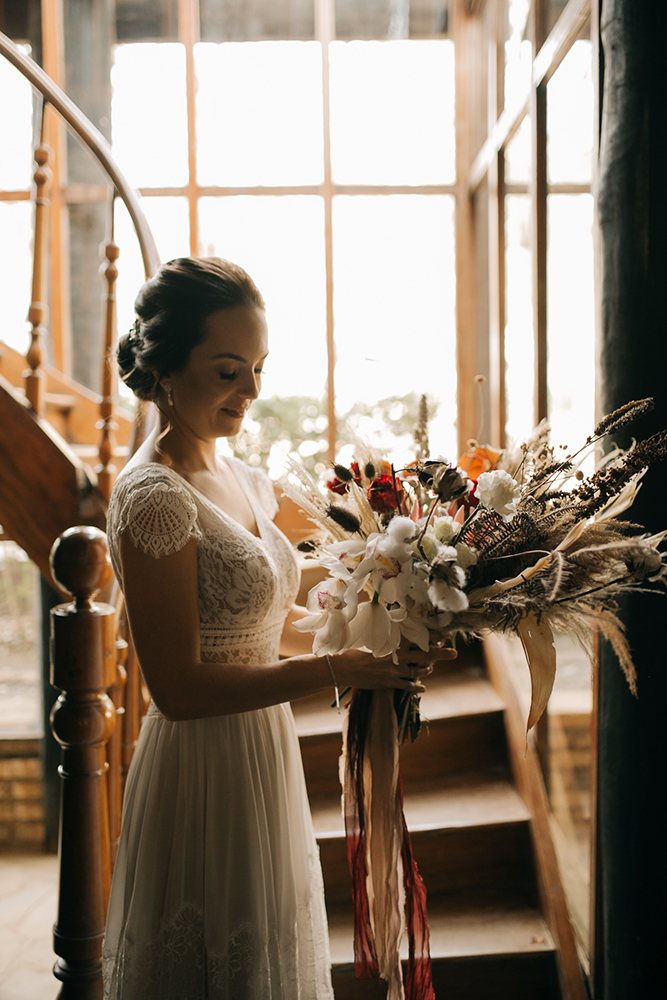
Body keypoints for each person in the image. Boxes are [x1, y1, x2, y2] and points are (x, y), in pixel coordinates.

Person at [102, 257, 455, 999]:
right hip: (200, 768)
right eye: (229, 370)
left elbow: (268, 624)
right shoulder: (151, 497)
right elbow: (178, 690)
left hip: (262, 751)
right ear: (164, 367)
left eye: (258, 369)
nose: (252, 392)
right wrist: (334, 673)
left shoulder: (239, 473)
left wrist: (380, 633)